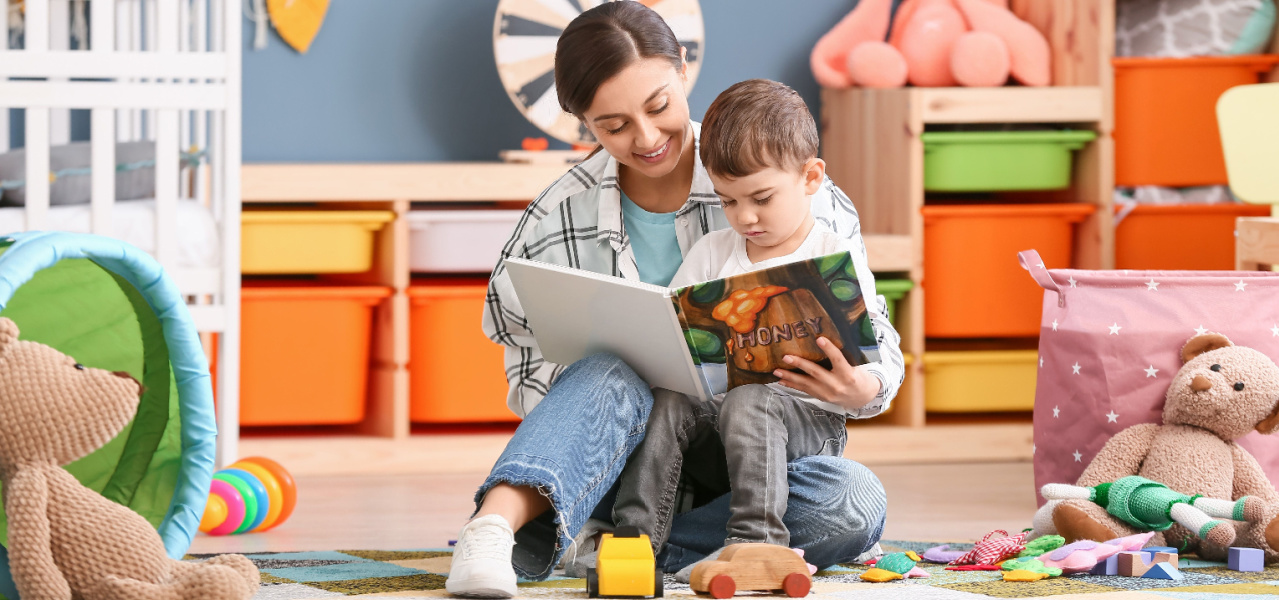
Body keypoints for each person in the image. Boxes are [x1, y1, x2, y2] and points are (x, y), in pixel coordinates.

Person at [445, 4, 902, 598]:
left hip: (757, 472)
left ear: (682, 68)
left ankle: (626, 551)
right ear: (583, 122)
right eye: (613, 125)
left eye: (658, 106)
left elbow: (877, 339)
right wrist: (614, 404)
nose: (647, 137)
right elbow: (527, 365)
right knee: (608, 371)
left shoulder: (795, 188)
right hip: (620, 458)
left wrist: (865, 390)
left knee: (851, 500)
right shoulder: (560, 213)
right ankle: (493, 530)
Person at [604, 78, 903, 582]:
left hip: (804, 433)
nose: (744, 217)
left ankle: (755, 544)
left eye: (761, 198)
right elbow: (673, 336)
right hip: (716, 436)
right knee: (670, 399)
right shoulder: (711, 255)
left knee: (761, 408)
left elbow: (877, 347)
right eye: (727, 201)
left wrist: (864, 386)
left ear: (811, 178)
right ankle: (634, 547)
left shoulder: (834, 256)